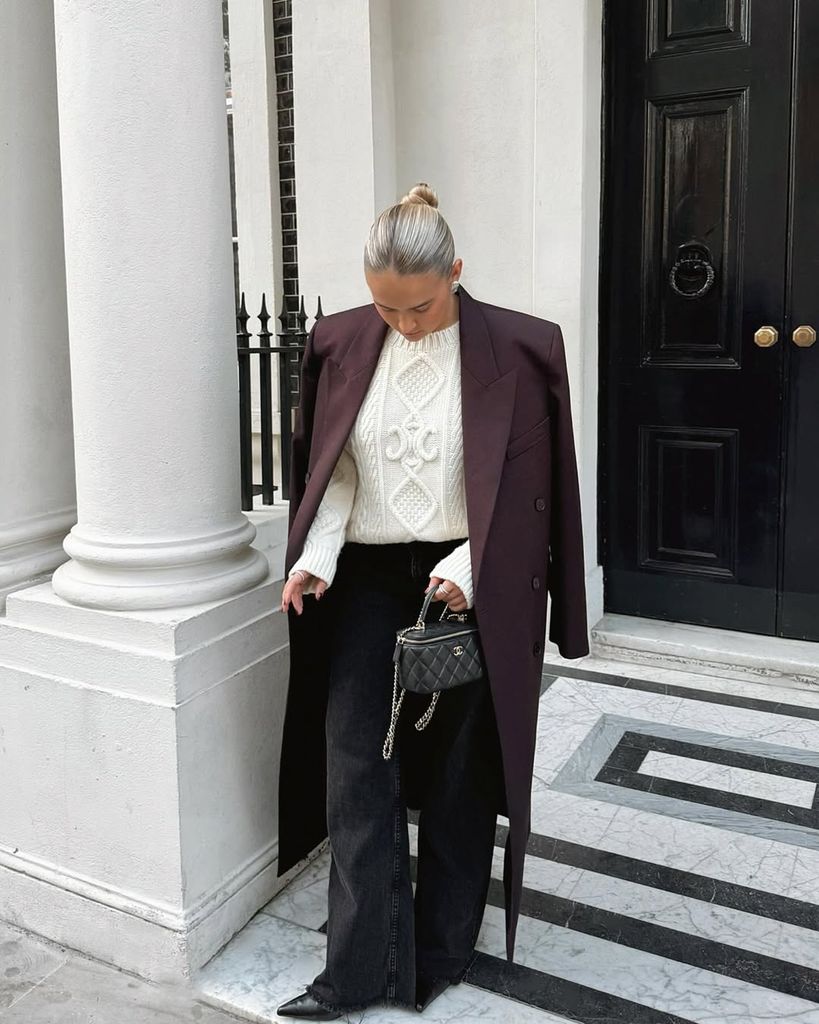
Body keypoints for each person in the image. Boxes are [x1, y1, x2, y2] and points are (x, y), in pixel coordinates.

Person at [275, 183, 589, 1020]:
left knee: (460, 775)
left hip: (467, 581)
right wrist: (314, 554)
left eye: (417, 307)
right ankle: (356, 970)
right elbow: (331, 467)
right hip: (368, 580)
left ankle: (442, 950)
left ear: (455, 272)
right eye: (384, 306)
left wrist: (471, 565)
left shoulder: (522, 348)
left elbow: (531, 489)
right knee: (355, 772)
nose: (401, 325)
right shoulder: (343, 338)